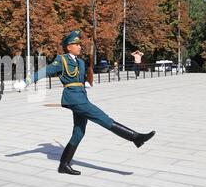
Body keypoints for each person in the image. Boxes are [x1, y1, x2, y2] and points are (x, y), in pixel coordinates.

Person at [14, 31, 155, 175]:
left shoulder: (80, 62)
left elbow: (81, 78)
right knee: (103, 118)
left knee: (79, 132)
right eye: (76, 44)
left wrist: (86, 82)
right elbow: (45, 71)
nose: (79, 46)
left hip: (82, 96)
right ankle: (135, 137)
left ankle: (64, 165)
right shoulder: (61, 60)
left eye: (79, 44)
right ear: (69, 47)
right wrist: (26, 82)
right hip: (73, 99)